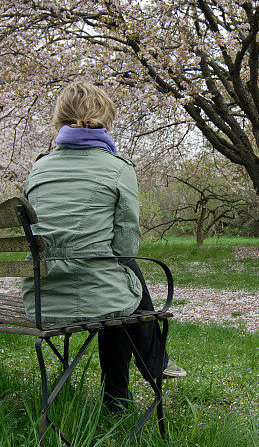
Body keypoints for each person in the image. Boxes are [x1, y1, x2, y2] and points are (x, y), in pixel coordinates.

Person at [21, 80, 184, 411]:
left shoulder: (38, 168)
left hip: (39, 299)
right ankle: (125, 391)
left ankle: (140, 377)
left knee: (114, 284)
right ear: (106, 121)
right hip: (93, 297)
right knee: (122, 286)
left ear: (59, 120)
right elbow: (126, 248)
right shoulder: (119, 168)